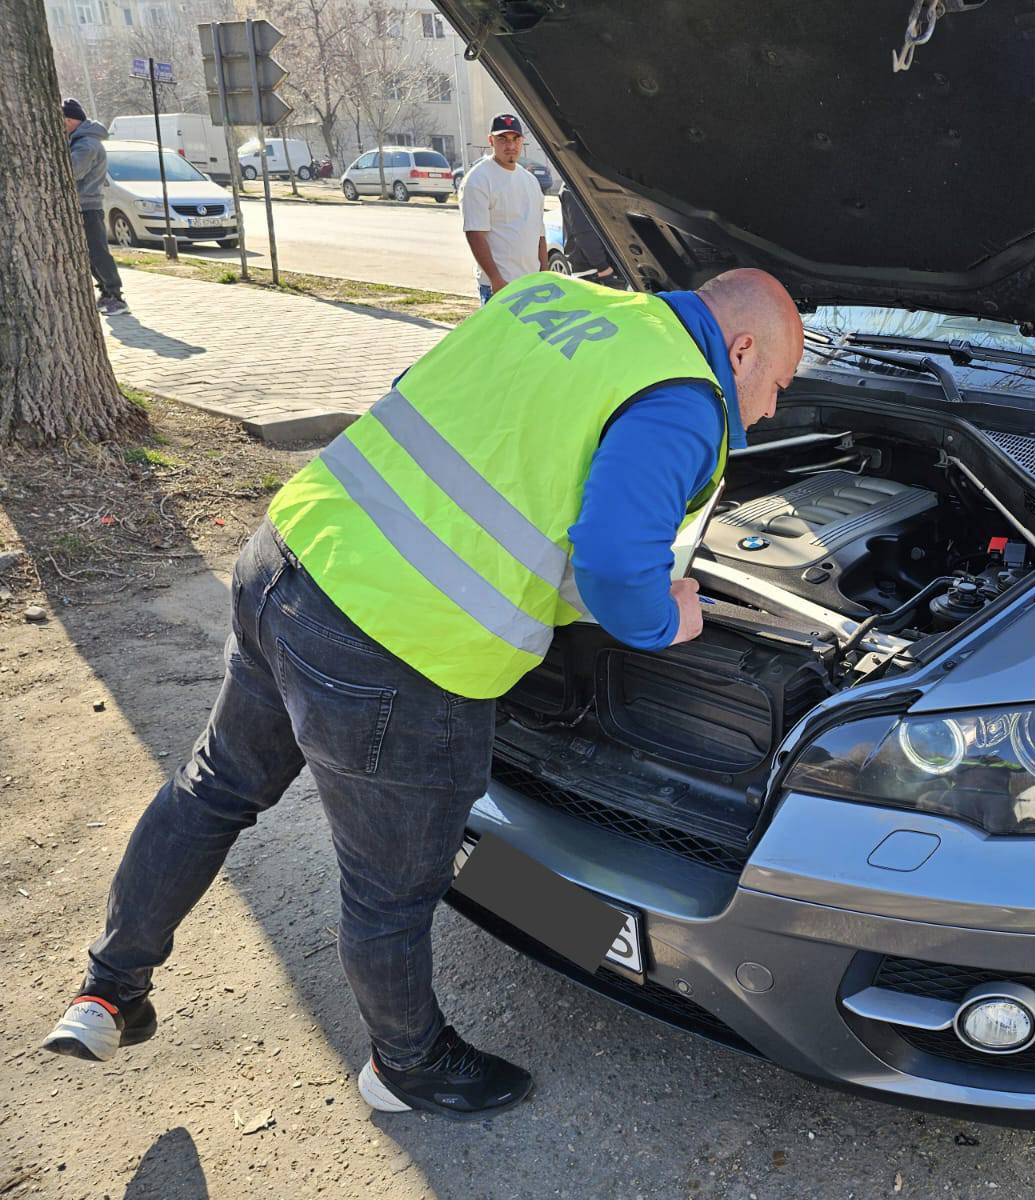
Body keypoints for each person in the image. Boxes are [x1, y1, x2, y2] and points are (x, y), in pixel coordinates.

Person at [42, 267, 805, 1121]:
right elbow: (618, 568)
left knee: (213, 789)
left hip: (290, 557)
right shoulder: (684, 400)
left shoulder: (550, 297)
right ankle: (406, 1066)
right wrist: (674, 620)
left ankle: (108, 991)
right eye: (776, 384)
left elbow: (428, 403)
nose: (771, 410)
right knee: (391, 887)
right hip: (394, 652)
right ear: (739, 349)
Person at [459, 114, 547, 303]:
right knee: (500, 334)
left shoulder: (530, 181)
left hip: (531, 284)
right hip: (501, 286)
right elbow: (475, 234)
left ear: (522, 141)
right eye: (503, 139)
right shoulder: (479, 179)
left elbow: (539, 232)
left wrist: (545, 273)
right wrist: (495, 278)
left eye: (516, 139)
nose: (510, 146)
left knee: (529, 334)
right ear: (491, 141)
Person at [63, 98, 127, 315]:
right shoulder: (79, 140)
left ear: (72, 120)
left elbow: (73, 171)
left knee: (98, 252)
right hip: (82, 205)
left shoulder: (86, 144)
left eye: (63, 120)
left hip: (88, 205)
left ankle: (116, 297)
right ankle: (106, 293)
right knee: (89, 253)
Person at [559, 187, 622, 287]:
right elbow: (583, 232)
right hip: (594, 271)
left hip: (597, 268)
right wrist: (603, 267)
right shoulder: (573, 188)